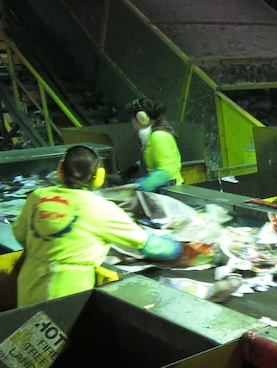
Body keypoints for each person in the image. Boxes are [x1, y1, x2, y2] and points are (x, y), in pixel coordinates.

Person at [12, 145, 182, 307]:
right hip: (67, 293)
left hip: (29, 285)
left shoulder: (37, 197)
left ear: (60, 169)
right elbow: (148, 245)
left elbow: (20, 235)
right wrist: (177, 247)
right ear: (99, 176)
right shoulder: (98, 207)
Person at [127, 97, 184, 192]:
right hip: (164, 189)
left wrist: (143, 185)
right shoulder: (151, 135)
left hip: (170, 191)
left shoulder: (158, 136)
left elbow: (167, 170)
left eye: (132, 119)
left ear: (141, 118)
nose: (132, 122)